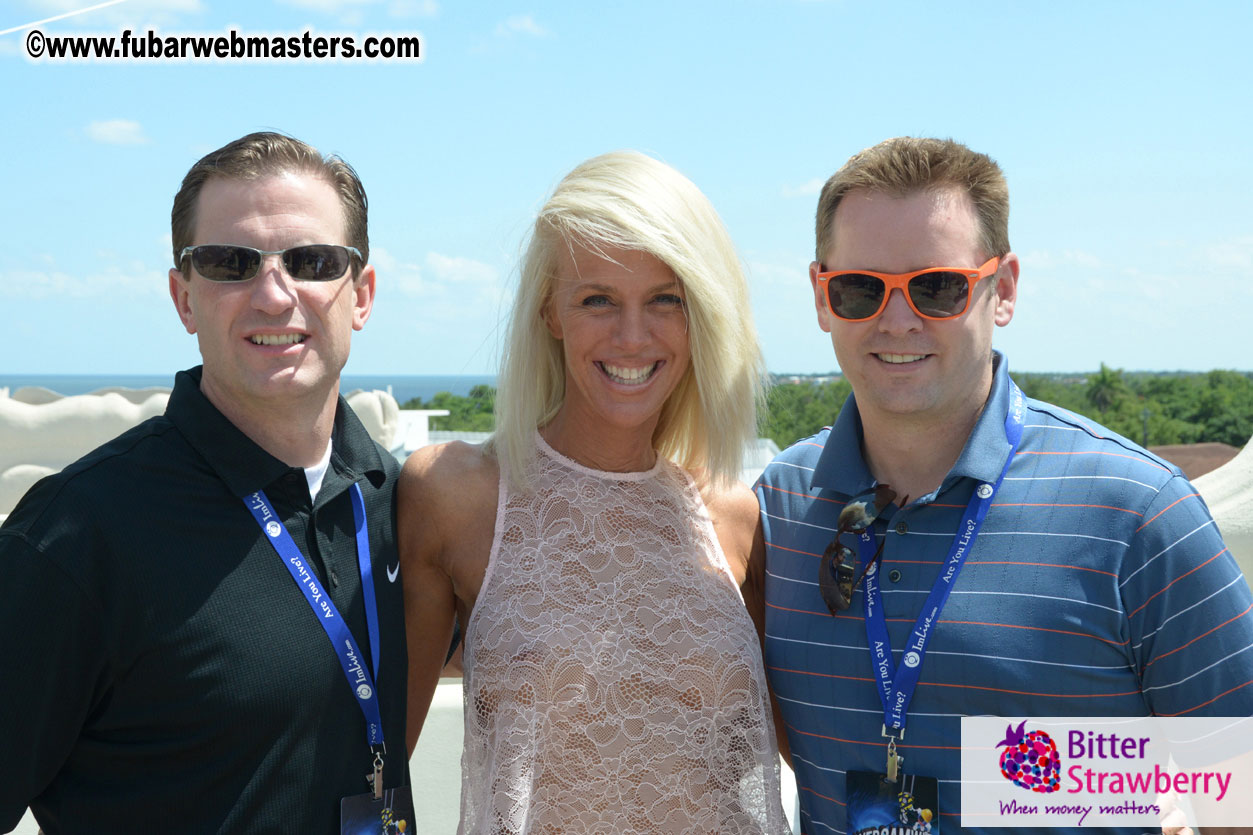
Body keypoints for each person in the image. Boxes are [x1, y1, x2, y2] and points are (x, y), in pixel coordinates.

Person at [754, 136, 1253, 834]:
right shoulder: (778, 508)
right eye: (861, 289)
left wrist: (1104, 788)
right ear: (821, 297)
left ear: (1004, 288)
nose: (896, 320)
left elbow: (1237, 792)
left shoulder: (1137, 514)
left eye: (936, 287)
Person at [0, 132, 411, 833]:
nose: (274, 294)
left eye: (312, 261)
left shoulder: (399, 499)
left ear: (361, 294)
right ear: (183, 297)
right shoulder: (78, 531)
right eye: (229, 262)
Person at [399, 150, 790, 833]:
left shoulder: (736, 516)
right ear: (550, 310)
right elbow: (370, 757)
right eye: (597, 299)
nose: (631, 335)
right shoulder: (456, 497)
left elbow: (824, 750)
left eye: (664, 298)